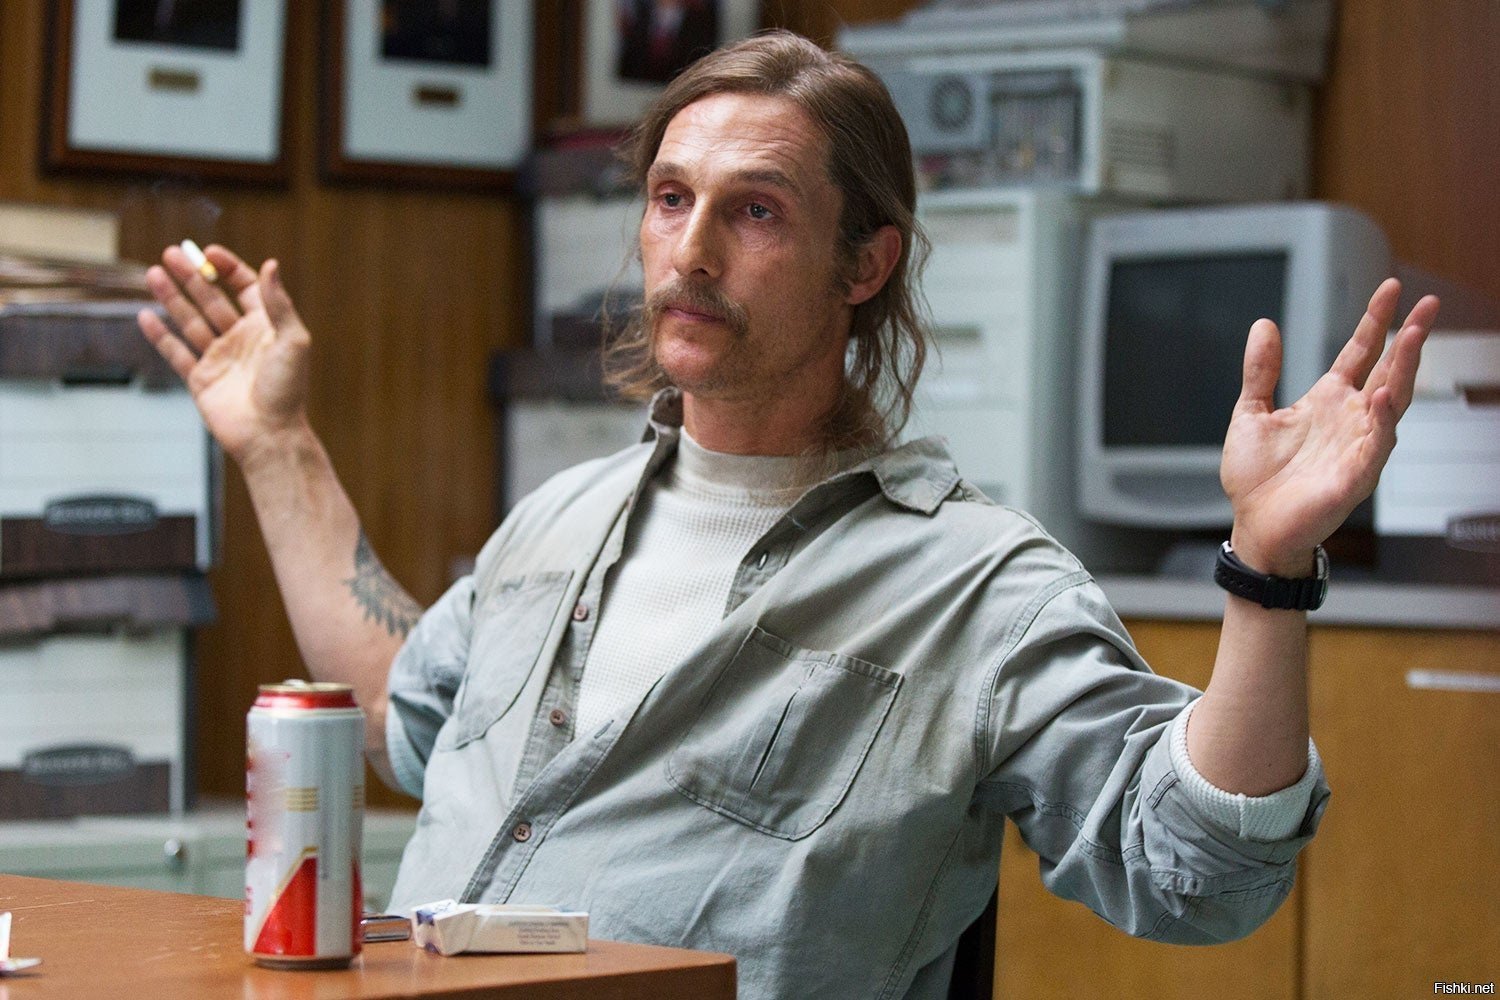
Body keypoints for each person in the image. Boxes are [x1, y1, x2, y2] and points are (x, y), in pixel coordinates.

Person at [138, 30, 1438, 1000]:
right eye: (670, 199)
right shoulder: (557, 520)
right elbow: (397, 719)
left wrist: (1267, 567)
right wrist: (277, 444)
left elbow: (1198, 873)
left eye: (753, 210)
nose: (692, 250)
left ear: (865, 263)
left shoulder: (978, 586)